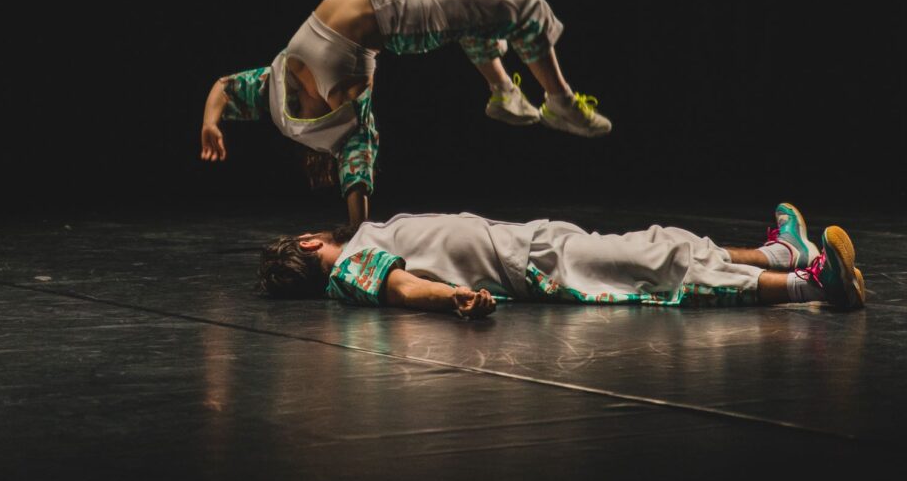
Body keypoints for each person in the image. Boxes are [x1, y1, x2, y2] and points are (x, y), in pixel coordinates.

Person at [201, 0, 611, 225]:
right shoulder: (347, 114)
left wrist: (210, 124)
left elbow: (223, 86)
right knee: (525, 9)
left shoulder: (275, 93)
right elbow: (357, 174)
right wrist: (358, 229)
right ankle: (560, 102)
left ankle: (504, 93)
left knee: (477, 12)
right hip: (404, 17)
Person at [256, 203, 865, 318]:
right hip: (531, 266)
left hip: (530, 245)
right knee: (666, 265)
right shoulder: (347, 268)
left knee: (662, 247)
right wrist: (454, 301)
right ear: (310, 246)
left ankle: (783, 253)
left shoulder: (361, 245)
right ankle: (811, 287)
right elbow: (401, 290)